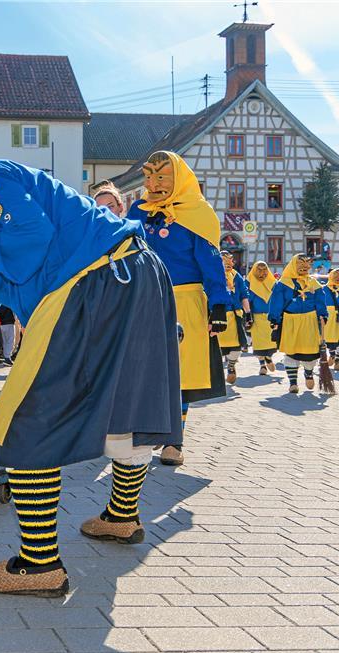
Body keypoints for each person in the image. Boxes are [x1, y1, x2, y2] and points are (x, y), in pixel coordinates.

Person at [0, 152, 180, 596]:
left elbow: (32, 236)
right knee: (127, 407)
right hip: (133, 274)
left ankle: (38, 563)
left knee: (24, 419)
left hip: (95, 280)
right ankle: (121, 518)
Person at [128, 151, 226, 467]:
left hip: (185, 300)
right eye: (148, 176)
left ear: (179, 179)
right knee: (144, 367)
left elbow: (211, 263)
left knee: (180, 372)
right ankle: (145, 431)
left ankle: (174, 440)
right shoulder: (137, 211)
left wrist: (219, 305)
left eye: (161, 177)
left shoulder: (198, 213)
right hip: (145, 296)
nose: (153, 184)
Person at [268, 254, 329, 394]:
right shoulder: (283, 284)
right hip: (291, 321)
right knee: (291, 352)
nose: (304, 266)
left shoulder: (314, 283)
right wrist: (274, 319)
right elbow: (276, 302)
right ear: (293, 265)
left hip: (310, 321)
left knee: (310, 351)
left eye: (307, 263)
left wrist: (323, 314)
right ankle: (293, 383)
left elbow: (320, 300)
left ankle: (308, 373)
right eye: (300, 263)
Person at [217, 252, 250, 385]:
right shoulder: (213, 275)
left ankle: (231, 366)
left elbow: (243, 294)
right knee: (216, 346)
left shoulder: (236, 276)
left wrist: (248, 313)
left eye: (230, 261)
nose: (229, 264)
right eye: (225, 261)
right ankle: (217, 373)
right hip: (217, 315)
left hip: (235, 315)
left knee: (236, 346)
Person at [246, 261, 279, 375]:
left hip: (270, 317)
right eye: (259, 270)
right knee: (259, 342)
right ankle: (262, 365)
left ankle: (268, 357)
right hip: (256, 317)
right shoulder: (248, 283)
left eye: (264, 270)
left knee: (270, 342)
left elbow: (278, 299)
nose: (262, 273)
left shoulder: (274, 283)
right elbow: (245, 300)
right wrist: (247, 316)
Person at [323, 268, 339, 371]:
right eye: (335, 275)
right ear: (331, 276)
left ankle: (338, 361)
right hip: (330, 317)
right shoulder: (325, 289)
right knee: (330, 339)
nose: (338, 277)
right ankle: (332, 354)